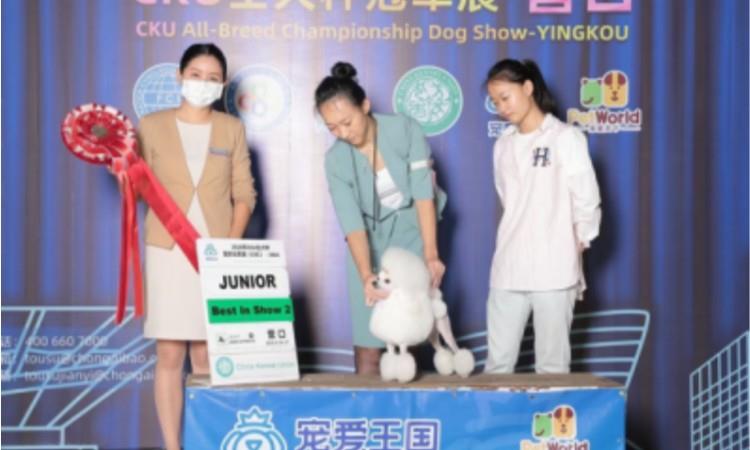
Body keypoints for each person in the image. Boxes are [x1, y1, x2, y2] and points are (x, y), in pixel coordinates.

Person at [137, 43, 256, 450]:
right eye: (195, 75)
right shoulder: (150, 125)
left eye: (212, 78)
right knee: (170, 354)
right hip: (167, 252)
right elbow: (134, 186)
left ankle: (207, 442)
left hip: (213, 253)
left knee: (207, 355)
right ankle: (172, 446)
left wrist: (229, 248)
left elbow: (245, 193)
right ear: (179, 76)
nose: (203, 83)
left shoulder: (231, 129)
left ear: (223, 84)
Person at [315, 62, 447, 375]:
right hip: (367, 246)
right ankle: (367, 407)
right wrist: (365, 275)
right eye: (332, 128)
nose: (343, 133)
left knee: (408, 334)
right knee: (368, 348)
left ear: (365, 106)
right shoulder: (335, 160)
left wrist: (430, 254)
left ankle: (407, 406)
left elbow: (423, 195)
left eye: (347, 122)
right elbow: (351, 223)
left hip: (413, 236)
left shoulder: (405, 130)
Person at [483, 58, 601, 374]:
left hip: (554, 269)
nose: (501, 107)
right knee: (497, 366)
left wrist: (581, 238)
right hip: (508, 265)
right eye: (495, 102)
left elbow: (587, 197)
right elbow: (508, 198)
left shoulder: (565, 137)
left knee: (552, 367)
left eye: (505, 97)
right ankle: (494, 411)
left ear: (527, 87)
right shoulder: (502, 144)